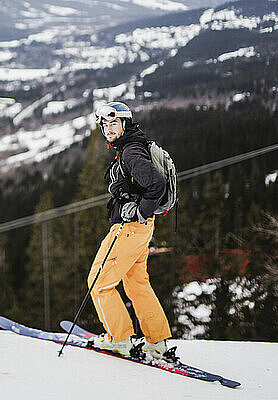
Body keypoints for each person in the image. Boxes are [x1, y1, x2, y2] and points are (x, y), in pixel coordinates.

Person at [88, 101, 172, 359]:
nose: (109, 129)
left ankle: (119, 339)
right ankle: (156, 342)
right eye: (105, 124)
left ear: (125, 123)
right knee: (137, 284)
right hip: (142, 230)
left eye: (114, 123)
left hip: (130, 228)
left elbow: (156, 184)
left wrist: (140, 210)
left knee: (99, 283)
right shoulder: (132, 146)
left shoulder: (131, 151)